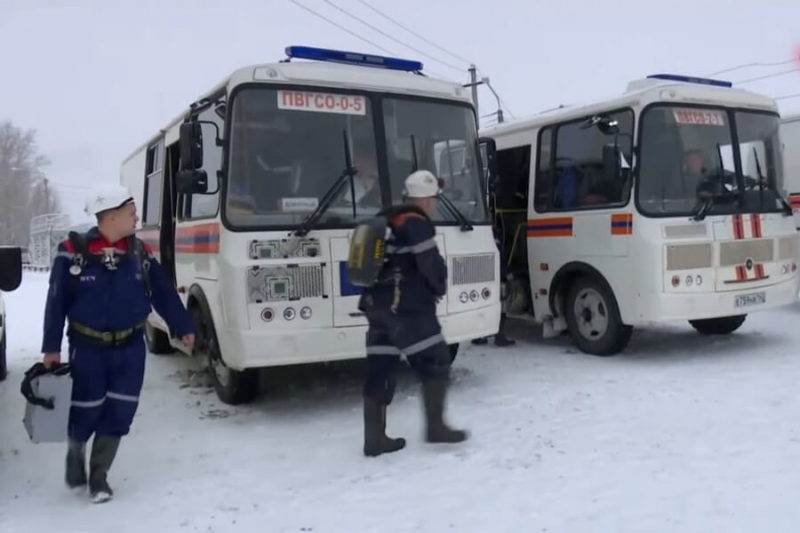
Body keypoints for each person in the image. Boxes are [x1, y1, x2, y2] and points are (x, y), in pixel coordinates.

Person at [41, 183, 195, 504]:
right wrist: (51, 348)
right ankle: (75, 449)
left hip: (130, 348)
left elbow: (163, 294)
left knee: (120, 411)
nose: (136, 217)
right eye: (131, 212)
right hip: (87, 348)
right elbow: (56, 302)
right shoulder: (72, 252)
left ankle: (99, 477)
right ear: (110, 217)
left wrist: (183, 327)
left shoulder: (138, 252)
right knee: (87, 407)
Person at [358, 169, 468, 458]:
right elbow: (428, 263)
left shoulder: (388, 218)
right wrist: (439, 285)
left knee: (380, 367)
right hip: (407, 308)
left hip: (377, 306)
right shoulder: (415, 223)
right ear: (427, 200)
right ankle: (436, 428)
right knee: (436, 360)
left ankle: (374, 439)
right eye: (433, 199)